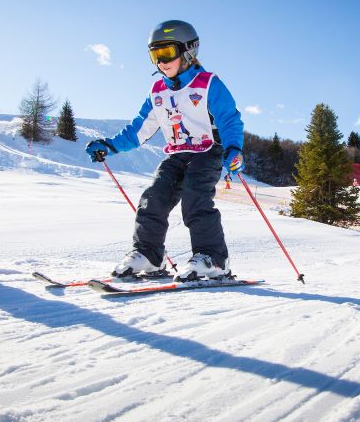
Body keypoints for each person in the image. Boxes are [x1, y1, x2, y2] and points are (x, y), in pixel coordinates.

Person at [86, 20, 244, 281]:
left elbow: (229, 119)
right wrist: (111, 145)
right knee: (153, 198)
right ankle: (149, 255)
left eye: (166, 53)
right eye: (155, 55)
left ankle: (213, 259)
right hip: (178, 153)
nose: (161, 62)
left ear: (188, 51)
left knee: (196, 198)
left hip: (207, 151)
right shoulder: (158, 91)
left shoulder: (208, 84)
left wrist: (234, 149)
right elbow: (139, 129)